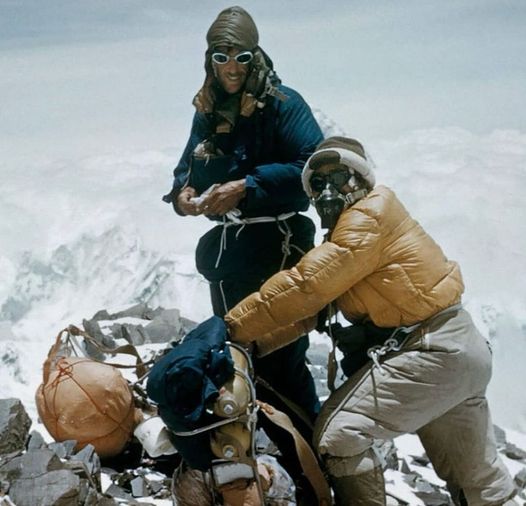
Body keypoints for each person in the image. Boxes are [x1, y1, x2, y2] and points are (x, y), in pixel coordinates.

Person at [225, 137, 517, 505]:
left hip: (432, 352)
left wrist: (229, 327)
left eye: (340, 177)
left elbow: (306, 287)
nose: (329, 190)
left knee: (339, 436)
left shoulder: (368, 218)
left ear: (363, 181)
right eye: (318, 182)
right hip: (460, 352)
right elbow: (310, 310)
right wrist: (252, 343)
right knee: (479, 481)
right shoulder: (359, 231)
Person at [162, 5, 323, 493]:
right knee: (235, 362)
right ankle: (251, 478)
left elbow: (310, 169)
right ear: (209, 59)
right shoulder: (207, 106)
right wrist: (183, 196)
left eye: (241, 56)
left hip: (277, 252)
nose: (231, 66)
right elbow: (187, 166)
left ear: (256, 58)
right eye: (221, 56)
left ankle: (315, 470)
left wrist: (247, 187)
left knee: (281, 365)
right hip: (231, 260)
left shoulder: (283, 104)